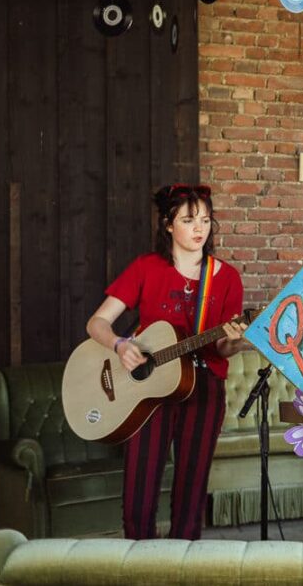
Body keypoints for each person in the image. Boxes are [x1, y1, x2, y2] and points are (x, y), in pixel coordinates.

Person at [85, 184, 248, 539]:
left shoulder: (226, 278)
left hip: (203, 387)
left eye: (205, 220)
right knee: (139, 495)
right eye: (188, 220)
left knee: (191, 496)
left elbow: (221, 348)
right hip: (148, 389)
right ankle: (140, 561)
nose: (199, 228)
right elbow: (96, 323)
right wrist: (119, 345)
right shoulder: (147, 268)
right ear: (169, 225)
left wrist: (235, 342)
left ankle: (182, 562)